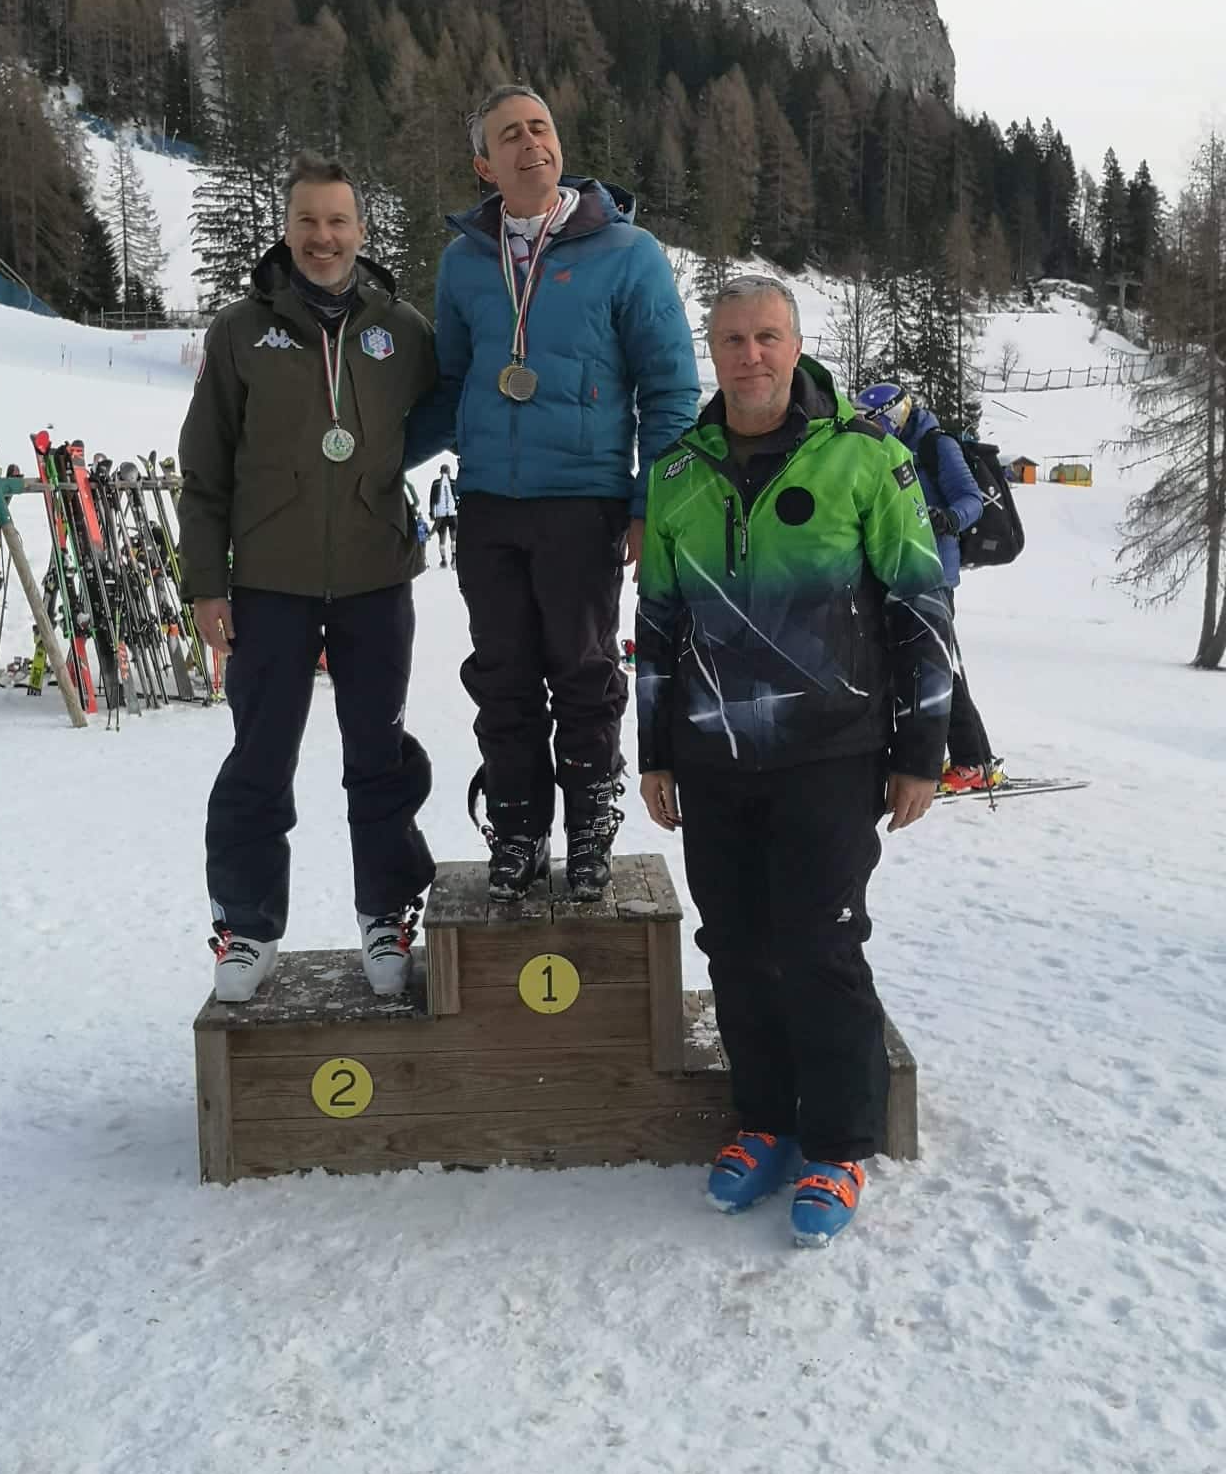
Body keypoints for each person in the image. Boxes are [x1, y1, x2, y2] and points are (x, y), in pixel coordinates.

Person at [636, 277, 953, 1245]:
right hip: (713, 756)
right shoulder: (677, 471)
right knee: (735, 945)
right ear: (714, 351)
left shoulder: (867, 456)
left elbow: (921, 606)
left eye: (768, 336)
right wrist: (655, 750)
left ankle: (840, 1142)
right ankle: (766, 1121)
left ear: (797, 343)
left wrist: (922, 751)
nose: (752, 356)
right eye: (733, 340)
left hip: (831, 753)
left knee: (818, 946)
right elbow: (657, 623)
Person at [408, 84, 700, 901]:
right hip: (489, 502)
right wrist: (368, 461)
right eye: (509, 134)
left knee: (582, 670)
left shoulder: (628, 251)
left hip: (584, 499)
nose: (530, 142)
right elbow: (454, 386)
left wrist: (648, 505)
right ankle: (518, 825)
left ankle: (590, 826)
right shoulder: (465, 261)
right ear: (484, 165)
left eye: (540, 127)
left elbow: (670, 391)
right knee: (501, 673)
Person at [180, 153, 437, 1002]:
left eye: (337, 221)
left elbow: (443, 416)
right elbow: (205, 469)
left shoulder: (403, 330)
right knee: (260, 756)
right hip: (268, 582)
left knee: (380, 754)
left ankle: (387, 913)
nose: (323, 238)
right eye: (308, 222)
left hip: (374, 577)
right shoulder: (239, 332)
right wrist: (206, 583)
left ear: (362, 230)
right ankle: (247, 926)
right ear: (286, 231)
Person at [853, 382, 1003, 793]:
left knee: (936, 665)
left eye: (871, 419)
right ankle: (942, 755)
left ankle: (975, 760)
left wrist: (946, 518)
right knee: (902, 662)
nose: (867, 427)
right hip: (895, 569)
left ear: (893, 414)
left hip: (933, 571)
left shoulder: (936, 445)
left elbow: (971, 499)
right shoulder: (881, 449)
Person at [427, 463, 459, 568]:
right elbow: (458, 497)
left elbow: (432, 499)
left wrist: (432, 513)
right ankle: (454, 558)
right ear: (449, 472)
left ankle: (444, 560)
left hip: (440, 514)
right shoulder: (453, 482)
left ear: (440, 472)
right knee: (454, 538)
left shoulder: (436, 483)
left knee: (442, 540)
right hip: (452, 513)